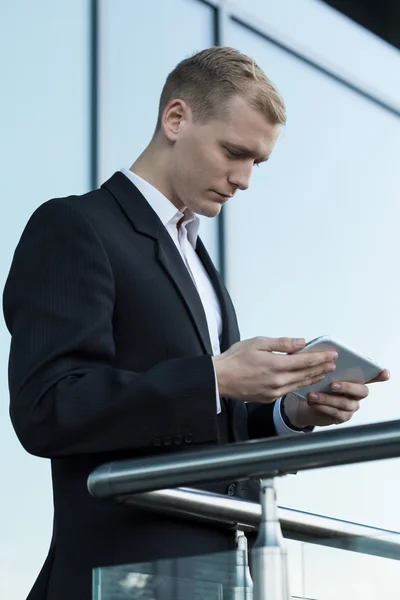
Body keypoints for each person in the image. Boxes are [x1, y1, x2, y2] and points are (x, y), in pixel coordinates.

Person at [3, 46, 389, 600]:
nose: (245, 180)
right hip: (125, 579)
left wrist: (287, 412)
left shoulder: (199, 262)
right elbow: (48, 408)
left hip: (215, 577)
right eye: (235, 152)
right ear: (176, 119)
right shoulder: (74, 227)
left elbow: (200, 424)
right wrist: (215, 378)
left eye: (257, 162)